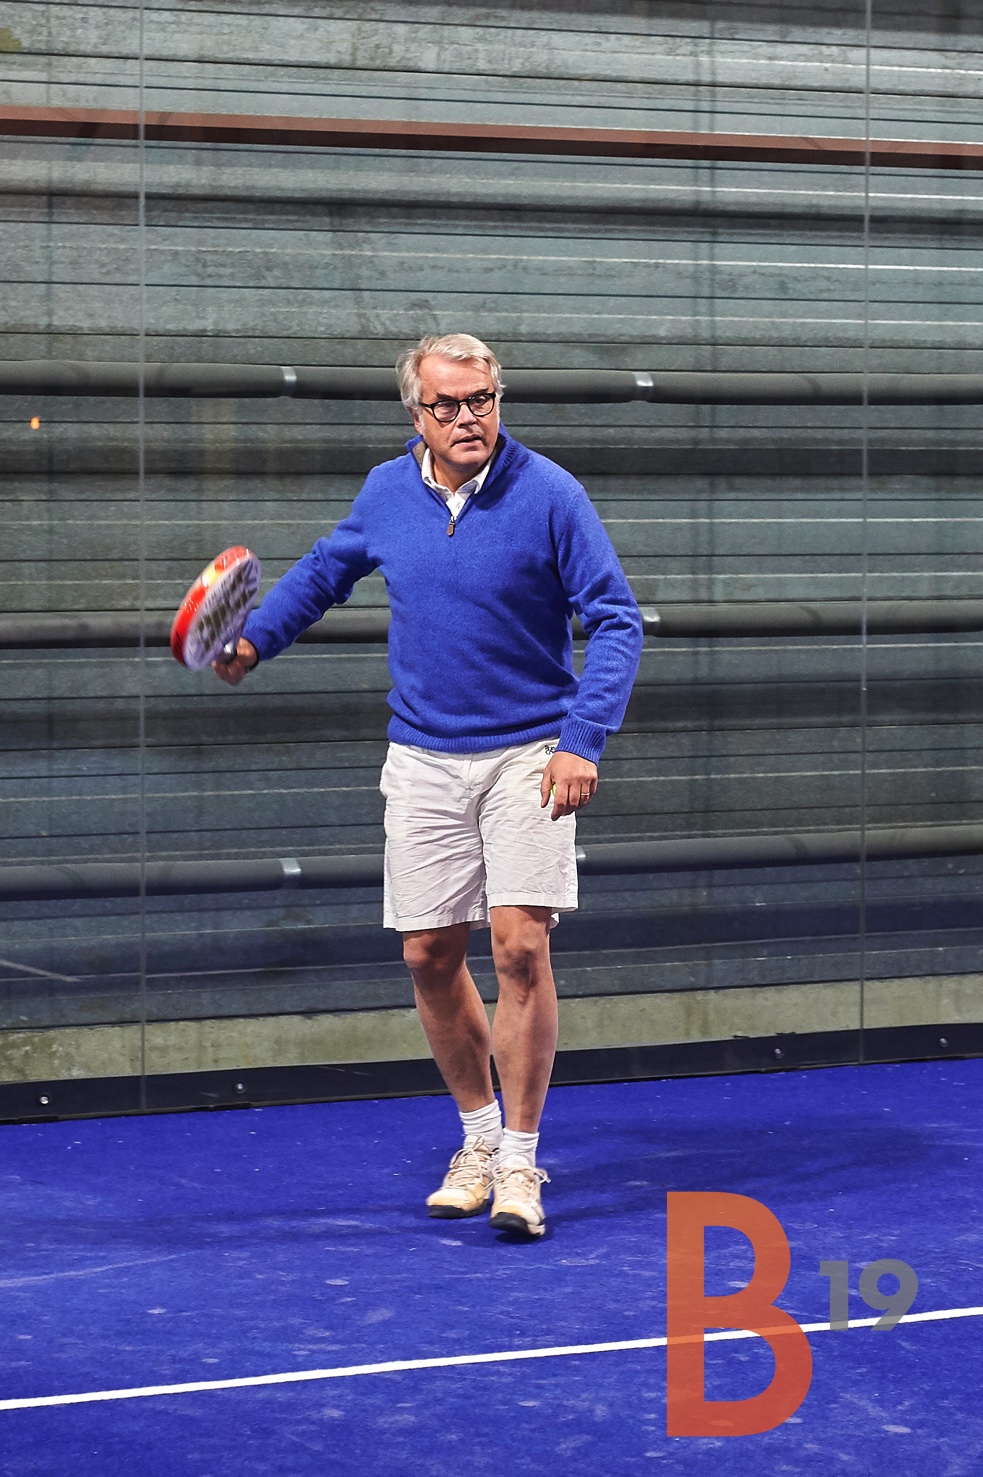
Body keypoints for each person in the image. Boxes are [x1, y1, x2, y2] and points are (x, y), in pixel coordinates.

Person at [214, 333, 643, 1237]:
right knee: (427, 955)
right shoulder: (384, 491)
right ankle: (477, 1141)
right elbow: (323, 574)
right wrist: (252, 642)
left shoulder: (551, 493)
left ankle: (520, 1161)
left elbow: (614, 618)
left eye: (481, 399)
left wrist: (581, 740)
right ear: (416, 413)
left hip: (529, 751)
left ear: (498, 399)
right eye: (447, 405)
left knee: (519, 948)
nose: (468, 418)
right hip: (422, 756)